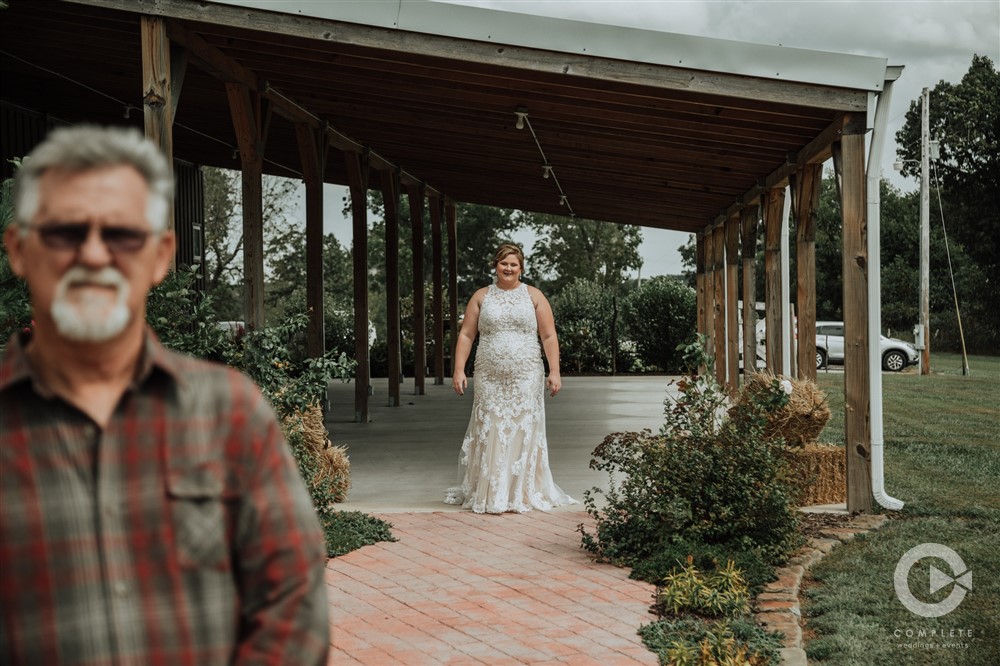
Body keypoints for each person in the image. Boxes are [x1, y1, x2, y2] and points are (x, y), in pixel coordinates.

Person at [0, 125, 330, 664]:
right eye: (63, 232)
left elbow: (293, 602)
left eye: (122, 234)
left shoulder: (230, 412)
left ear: (159, 255)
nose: (93, 254)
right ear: (19, 249)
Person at [444, 243, 577, 514]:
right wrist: (459, 369)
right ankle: (492, 490)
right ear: (496, 266)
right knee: (491, 428)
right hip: (489, 375)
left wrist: (555, 371)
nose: (508, 268)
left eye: (513, 264)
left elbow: (549, 335)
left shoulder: (534, 296)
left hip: (526, 374)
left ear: (521, 268)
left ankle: (520, 491)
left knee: (522, 427)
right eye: (504, 263)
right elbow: (467, 335)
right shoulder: (481, 297)